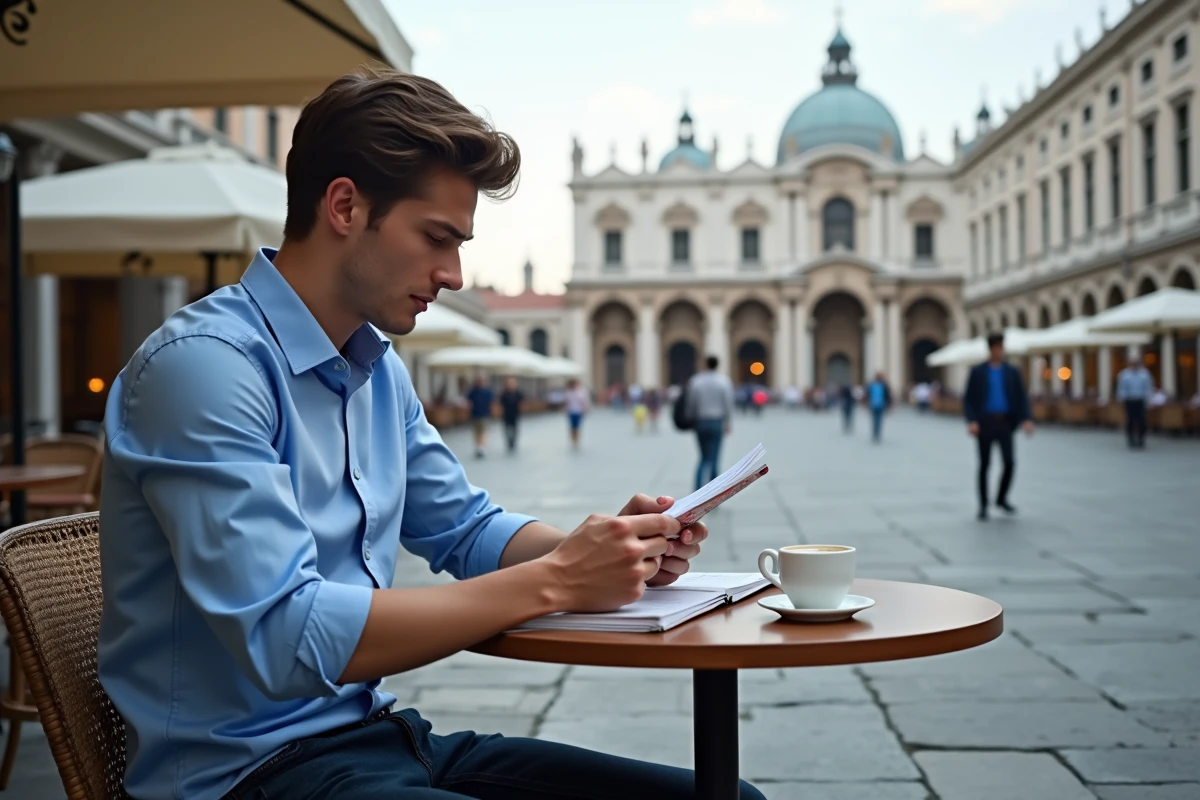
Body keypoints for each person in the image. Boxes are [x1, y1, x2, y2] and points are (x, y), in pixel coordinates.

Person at [96, 69, 766, 800]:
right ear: (345, 206)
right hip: (243, 778)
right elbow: (290, 638)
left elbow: (467, 530)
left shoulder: (376, 370)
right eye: (436, 238)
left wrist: (604, 550)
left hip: (375, 737)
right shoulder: (204, 369)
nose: (452, 273)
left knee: (730, 798)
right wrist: (558, 580)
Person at [963, 332, 1034, 521]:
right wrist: (971, 421)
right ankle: (983, 505)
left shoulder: (1012, 371)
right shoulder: (978, 372)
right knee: (984, 465)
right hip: (984, 423)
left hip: (1005, 422)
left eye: (1001, 347)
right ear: (991, 349)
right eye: (996, 348)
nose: (999, 351)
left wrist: (1026, 418)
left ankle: (1001, 498)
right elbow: (968, 399)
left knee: (1009, 462)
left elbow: (1021, 396)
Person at [685, 355, 735, 491]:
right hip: (717, 422)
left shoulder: (696, 381)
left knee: (703, 457)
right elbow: (728, 404)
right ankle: (713, 492)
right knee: (715, 457)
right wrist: (728, 422)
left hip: (700, 422)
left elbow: (691, 403)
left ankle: (697, 490)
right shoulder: (723, 381)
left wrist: (690, 418)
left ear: (705, 364)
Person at [1115, 354, 1154, 448]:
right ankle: (1131, 439)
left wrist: (1149, 400)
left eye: (1136, 363)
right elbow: (1121, 388)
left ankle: (1141, 439)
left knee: (1141, 420)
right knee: (1130, 420)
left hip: (1140, 400)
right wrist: (1121, 400)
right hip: (1130, 401)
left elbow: (1148, 388)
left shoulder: (1144, 374)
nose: (1134, 365)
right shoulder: (1124, 375)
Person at [466, 374, 494, 458]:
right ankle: (479, 446)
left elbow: (491, 403)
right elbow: (468, 401)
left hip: (484, 414)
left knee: (482, 431)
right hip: (475, 414)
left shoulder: (487, 392)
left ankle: (481, 447)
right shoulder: (473, 391)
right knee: (476, 432)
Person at [498, 376, 523, 453]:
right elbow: (500, 403)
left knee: (515, 429)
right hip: (506, 414)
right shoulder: (504, 393)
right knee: (506, 429)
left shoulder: (518, 393)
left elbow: (522, 402)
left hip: (515, 414)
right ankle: (509, 441)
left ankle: (513, 441)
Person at [564, 377, 590, 449]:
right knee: (572, 427)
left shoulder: (581, 392)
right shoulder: (568, 392)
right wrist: (565, 409)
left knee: (577, 427)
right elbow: (566, 402)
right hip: (571, 411)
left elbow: (584, 402)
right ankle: (573, 440)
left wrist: (585, 409)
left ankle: (577, 440)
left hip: (578, 411)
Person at [867, 372, 892, 442]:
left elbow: (888, 396)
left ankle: (877, 434)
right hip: (873, 405)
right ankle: (875, 434)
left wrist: (889, 405)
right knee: (875, 420)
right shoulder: (871, 385)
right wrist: (866, 403)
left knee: (879, 421)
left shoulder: (884, 385)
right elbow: (868, 395)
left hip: (881, 405)